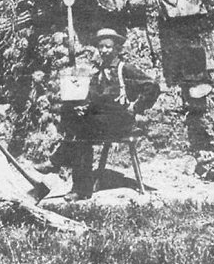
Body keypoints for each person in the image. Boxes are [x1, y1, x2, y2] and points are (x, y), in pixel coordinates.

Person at [38, 28, 160, 201]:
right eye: (101, 47)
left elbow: (152, 86)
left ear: (117, 48)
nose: (104, 51)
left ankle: (59, 165)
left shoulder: (125, 69)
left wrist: (137, 107)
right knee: (75, 122)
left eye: (108, 47)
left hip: (121, 122)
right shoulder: (98, 72)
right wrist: (84, 107)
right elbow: (96, 100)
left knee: (82, 130)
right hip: (101, 121)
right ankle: (78, 187)